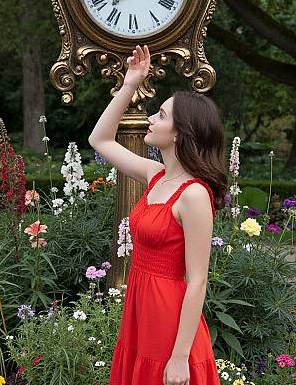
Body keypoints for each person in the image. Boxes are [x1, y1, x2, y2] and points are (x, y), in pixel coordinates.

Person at [88, 45, 227, 385]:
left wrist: (179, 358)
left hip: (169, 320)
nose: (150, 118)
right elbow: (100, 139)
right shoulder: (156, 176)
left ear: (180, 133)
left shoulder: (194, 195)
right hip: (142, 310)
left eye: (161, 115)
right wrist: (131, 83)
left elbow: (197, 281)